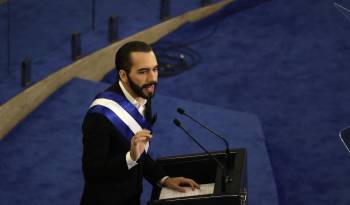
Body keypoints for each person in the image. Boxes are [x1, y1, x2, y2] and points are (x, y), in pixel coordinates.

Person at [80, 41, 199, 205]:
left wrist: (163, 179)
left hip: (133, 196)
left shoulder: (143, 93)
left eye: (155, 69)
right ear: (123, 75)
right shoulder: (100, 116)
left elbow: (140, 152)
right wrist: (131, 157)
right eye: (143, 72)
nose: (152, 79)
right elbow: (92, 172)